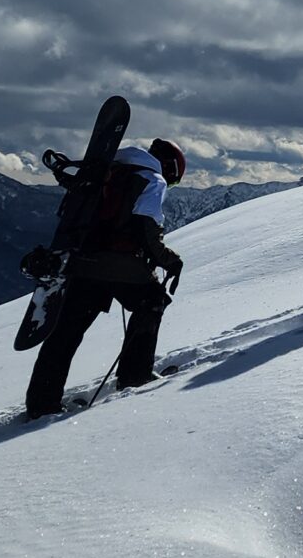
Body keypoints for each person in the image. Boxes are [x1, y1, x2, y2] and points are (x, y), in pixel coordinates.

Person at [24, 137, 187, 417]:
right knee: (153, 301)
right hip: (120, 264)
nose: (168, 185)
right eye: (173, 182)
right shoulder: (151, 179)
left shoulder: (107, 171)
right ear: (170, 168)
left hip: (82, 263)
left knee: (66, 332)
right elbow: (145, 228)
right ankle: (135, 375)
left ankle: (42, 403)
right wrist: (170, 260)